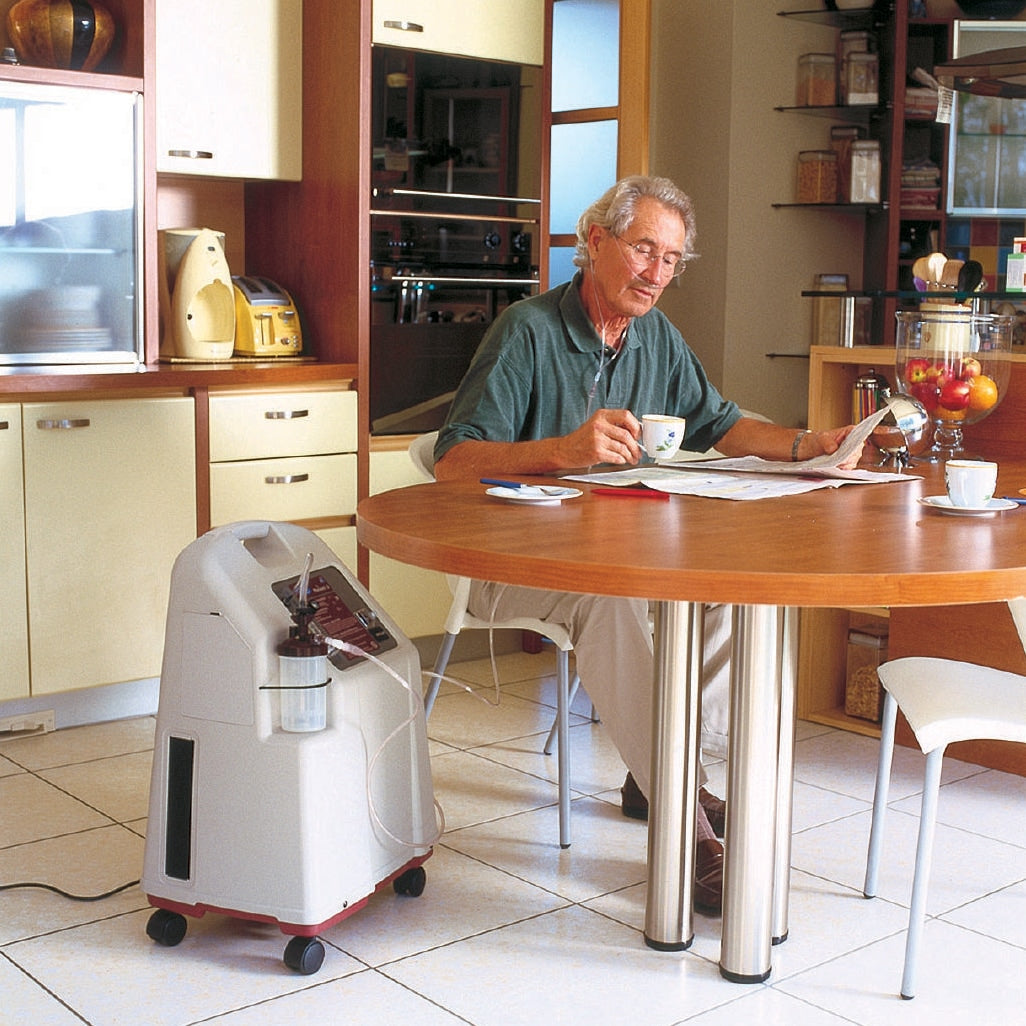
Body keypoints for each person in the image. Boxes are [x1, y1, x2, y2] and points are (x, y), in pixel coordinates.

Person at [432, 175, 862, 913]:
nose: (658, 274)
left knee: (730, 589)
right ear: (595, 242)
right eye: (644, 250)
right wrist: (563, 450)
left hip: (619, 553)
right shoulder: (527, 331)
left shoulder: (654, 335)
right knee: (613, 606)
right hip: (512, 562)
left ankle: (663, 775)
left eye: (671, 260)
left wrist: (804, 444)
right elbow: (453, 461)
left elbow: (718, 421)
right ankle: (689, 829)